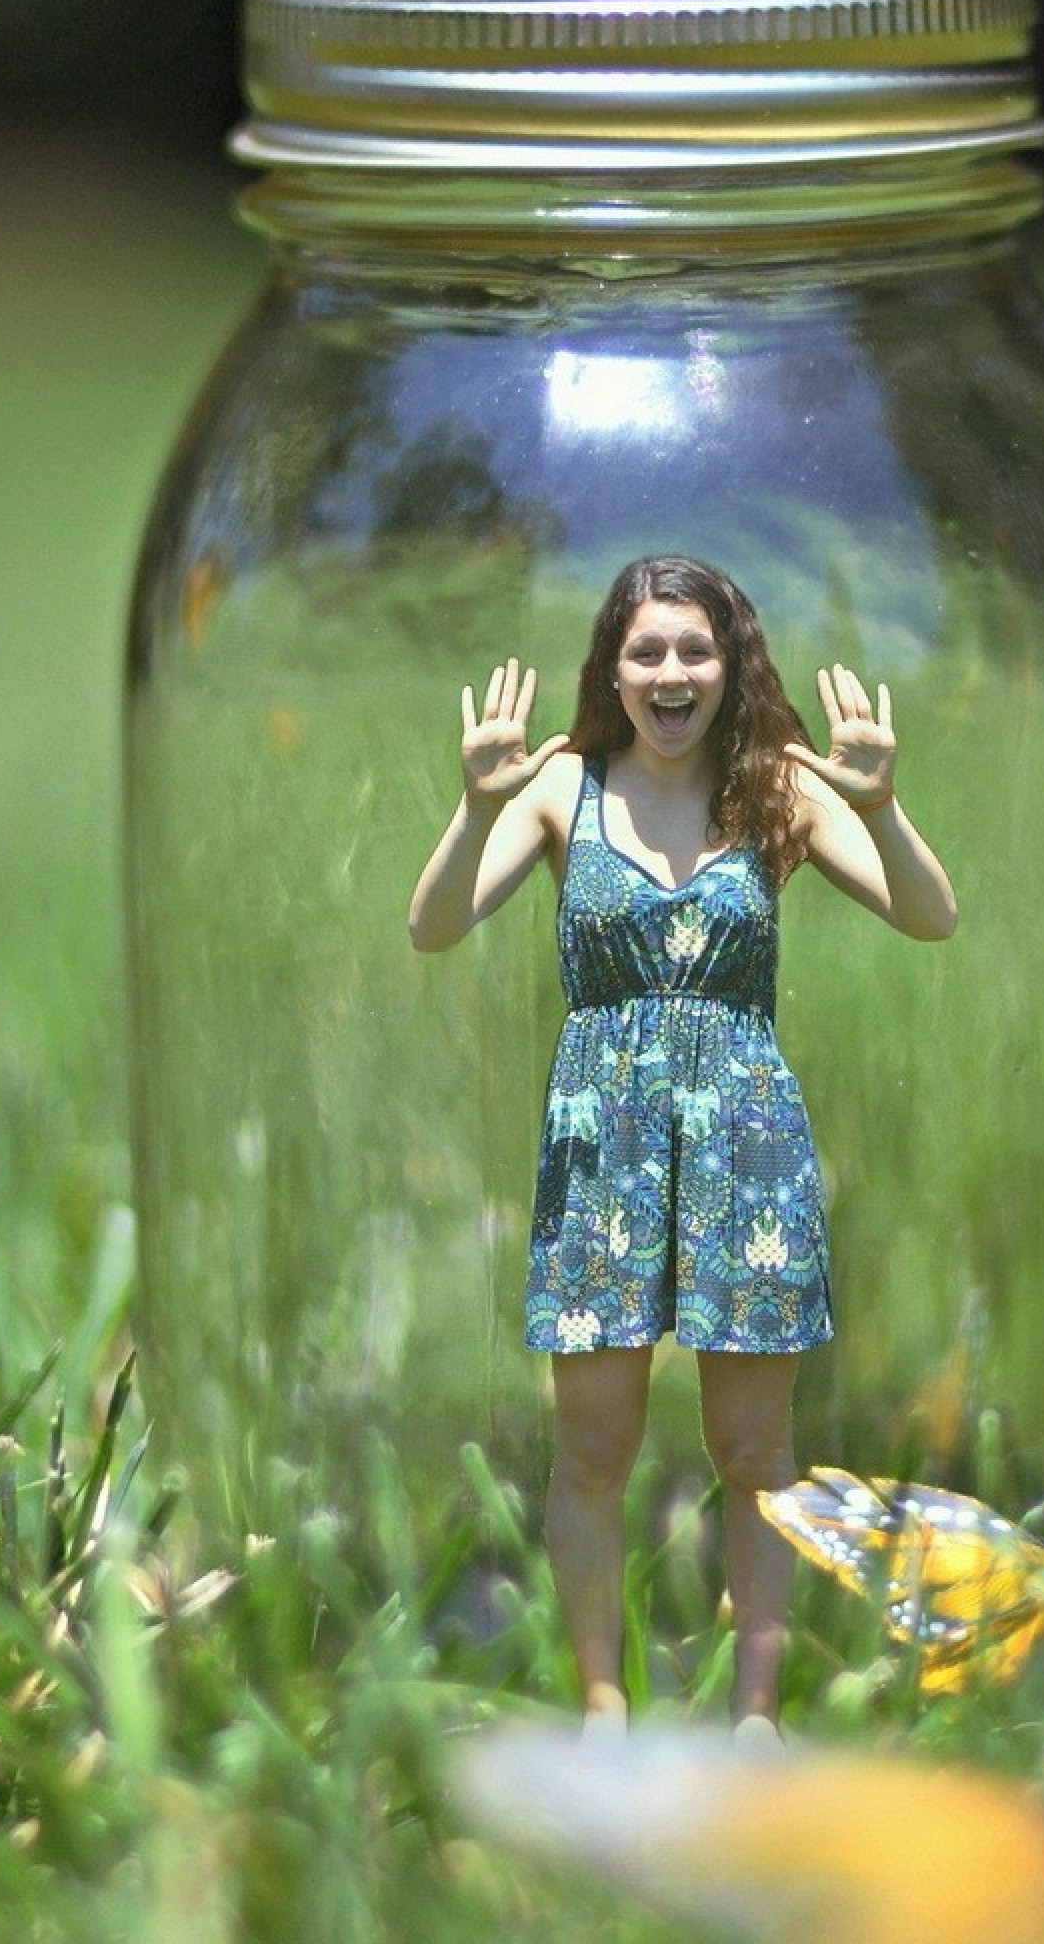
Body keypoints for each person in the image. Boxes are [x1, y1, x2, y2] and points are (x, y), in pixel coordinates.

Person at [406, 554, 958, 1736]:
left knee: (755, 1446)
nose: (671, 672)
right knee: (595, 1441)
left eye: (694, 650)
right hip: (602, 1143)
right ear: (613, 664)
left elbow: (929, 915)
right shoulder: (565, 784)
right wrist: (475, 804)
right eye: (648, 649)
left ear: (731, 662)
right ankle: (602, 1699)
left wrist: (879, 804)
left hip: (745, 1144)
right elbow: (434, 925)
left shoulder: (778, 789)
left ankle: (756, 1711)